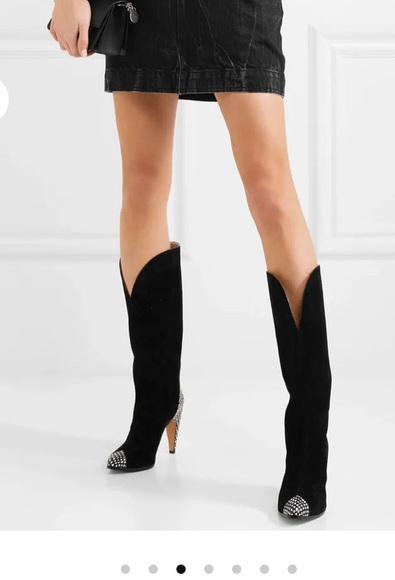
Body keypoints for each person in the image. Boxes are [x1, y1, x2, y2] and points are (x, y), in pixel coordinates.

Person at [49, 0, 332, 520]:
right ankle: (155, 402)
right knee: (141, 187)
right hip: (142, 8)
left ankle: (309, 449)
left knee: (270, 193)